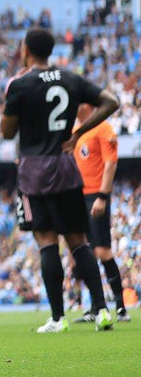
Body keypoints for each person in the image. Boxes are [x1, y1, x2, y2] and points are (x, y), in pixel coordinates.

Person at [1, 28, 120, 333]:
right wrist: (78, 132)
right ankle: (103, 311)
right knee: (79, 241)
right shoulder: (70, 78)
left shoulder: (20, 83)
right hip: (66, 167)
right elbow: (111, 101)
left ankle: (57, 318)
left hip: (35, 171)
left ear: (25, 49)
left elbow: (7, 132)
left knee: (46, 242)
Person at [72, 103, 128, 323]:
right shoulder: (75, 131)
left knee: (103, 251)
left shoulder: (104, 129)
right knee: (85, 253)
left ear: (86, 104)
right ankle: (96, 307)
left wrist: (103, 196)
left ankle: (121, 307)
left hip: (95, 195)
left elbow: (110, 163)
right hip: (77, 197)